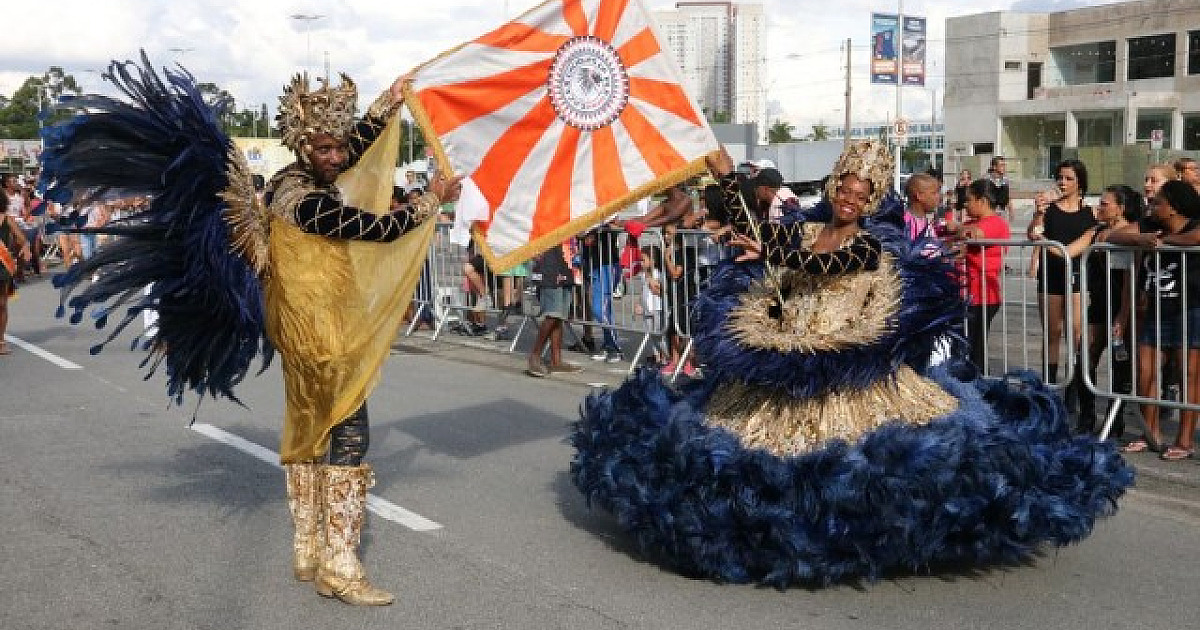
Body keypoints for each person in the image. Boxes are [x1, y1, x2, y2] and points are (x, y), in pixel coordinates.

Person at [570, 140, 1131, 587]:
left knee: (878, 470)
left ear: (873, 198)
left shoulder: (870, 246)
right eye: (845, 188)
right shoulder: (803, 231)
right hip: (779, 369)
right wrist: (749, 248)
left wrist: (775, 258)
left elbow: (838, 270)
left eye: (862, 193)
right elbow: (772, 253)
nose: (850, 199)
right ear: (835, 186)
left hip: (848, 376)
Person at [41, 60, 461, 606]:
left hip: (301, 330)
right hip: (323, 335)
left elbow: (350, 147)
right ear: (302, 145)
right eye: (325, 150)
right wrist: (433, 199)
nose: (336, 158)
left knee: (311, 431)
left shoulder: (295, 177)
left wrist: (388, 101)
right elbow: (379, 229)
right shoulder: (306, 201)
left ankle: (309, 550)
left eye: (337, 149)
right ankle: (341, 565)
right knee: (349, 433)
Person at [1106, 180, 1200, 460]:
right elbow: (1112, 236)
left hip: (1191, 308)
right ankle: (1151, 433)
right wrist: (1141, 239)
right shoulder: (1148, 225)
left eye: (1158, 202)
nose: (1152, 205)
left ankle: (1185, 440)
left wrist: (1162, 242)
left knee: (1189, 375)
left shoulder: (1194, 222)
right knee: (1145, 370)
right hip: (1157, 309)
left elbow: (1196, 238)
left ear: (1173, 208)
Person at [1026, 159, 1097, 389]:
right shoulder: (1050, 210)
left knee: (1076, 333)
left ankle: (1075, 389)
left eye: (1069, 178)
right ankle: (1049, 385)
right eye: (1060, 177)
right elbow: (1033, 234)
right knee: (1053, 333)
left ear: (1080, 182)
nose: (1063, 182)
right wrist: (1038, 214)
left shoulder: (1090, 212)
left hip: (1079, 277)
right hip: (1050, 276)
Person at [1085, 185, 1143, 437]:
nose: (1099, 207)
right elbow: (1068, 249)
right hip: (1097, 303)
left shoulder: (1127, 235)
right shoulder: (1097, 231)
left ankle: (1114, 422)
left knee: (1120, 363)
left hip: (1121, 304)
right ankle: (1086, 417)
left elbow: (1130, 278)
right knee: (1084, 357)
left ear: (1121, 208)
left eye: (1105, 204)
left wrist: (1123, 313)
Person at [953, 179, 1010, 371]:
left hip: (983, 295)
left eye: (969, 200)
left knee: (975, 349)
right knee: (960, 347)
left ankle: (976, 388)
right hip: (965, 294)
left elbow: (974, 234)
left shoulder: (996, 223)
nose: (965, 204)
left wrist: (957, 228)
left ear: (982, 201)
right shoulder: (970, 222)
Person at [526, 240, 584, 377]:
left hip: (567, 262)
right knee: (552, 314)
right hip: (550, 264)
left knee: (559, 316)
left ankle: (556, 361)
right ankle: (535, 355)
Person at [1, 192, 31, 355]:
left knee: (1, 304)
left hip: (2, 266)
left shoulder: (7, 219)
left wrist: (25, 248)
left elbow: (22, 239)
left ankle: (0, 341)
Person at [902, 172, 945, 241]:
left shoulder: (922, 219)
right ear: (919, 196)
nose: (939, 197)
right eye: (934, 193)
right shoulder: (908, 223)